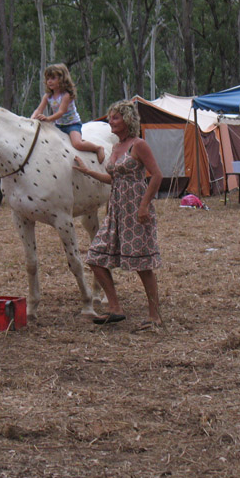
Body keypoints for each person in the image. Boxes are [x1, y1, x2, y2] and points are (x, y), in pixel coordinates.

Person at [72, 99, 163, 329]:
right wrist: (87, 171)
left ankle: (155, 316)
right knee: (95, 256)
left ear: (128, 120)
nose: (110, 121)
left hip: (135, 207)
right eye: (109, 117)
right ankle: (115, 308)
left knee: (142, 263)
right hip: (116, 208)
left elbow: (157, 176)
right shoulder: (116, 147)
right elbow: (114, 178)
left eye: (115, 117)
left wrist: (144, 206)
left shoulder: (138, 145)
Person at [32, 63, 105, 163]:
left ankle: (97, 148)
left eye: (53, 78)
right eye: (48, 79)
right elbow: (39, 109)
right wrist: (31, 119)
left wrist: (48, 119)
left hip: (72, 124)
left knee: (77, 144)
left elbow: (61, 112)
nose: (49, 81)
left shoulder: (66, 95)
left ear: (62, 79)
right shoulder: (48, 96)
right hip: (58, 125)